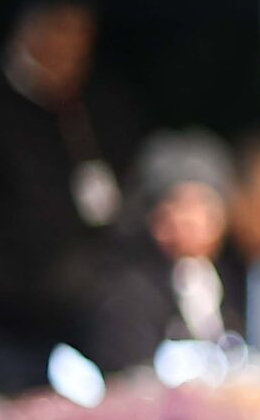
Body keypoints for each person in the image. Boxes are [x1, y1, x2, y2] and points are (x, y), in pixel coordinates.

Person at [0, 0, 143, 392]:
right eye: (63, 34)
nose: (74, 52)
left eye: (83, 39)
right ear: (31, 33)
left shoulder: (93, 108)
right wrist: (16, 287)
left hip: (89, 305)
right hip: (15, 316)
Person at [83, 133, 242, 376]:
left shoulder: (226, 278)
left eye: (206, 204)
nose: (194, 219)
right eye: (182, 205)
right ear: (156, 217)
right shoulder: (129, 291)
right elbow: (132, 376)